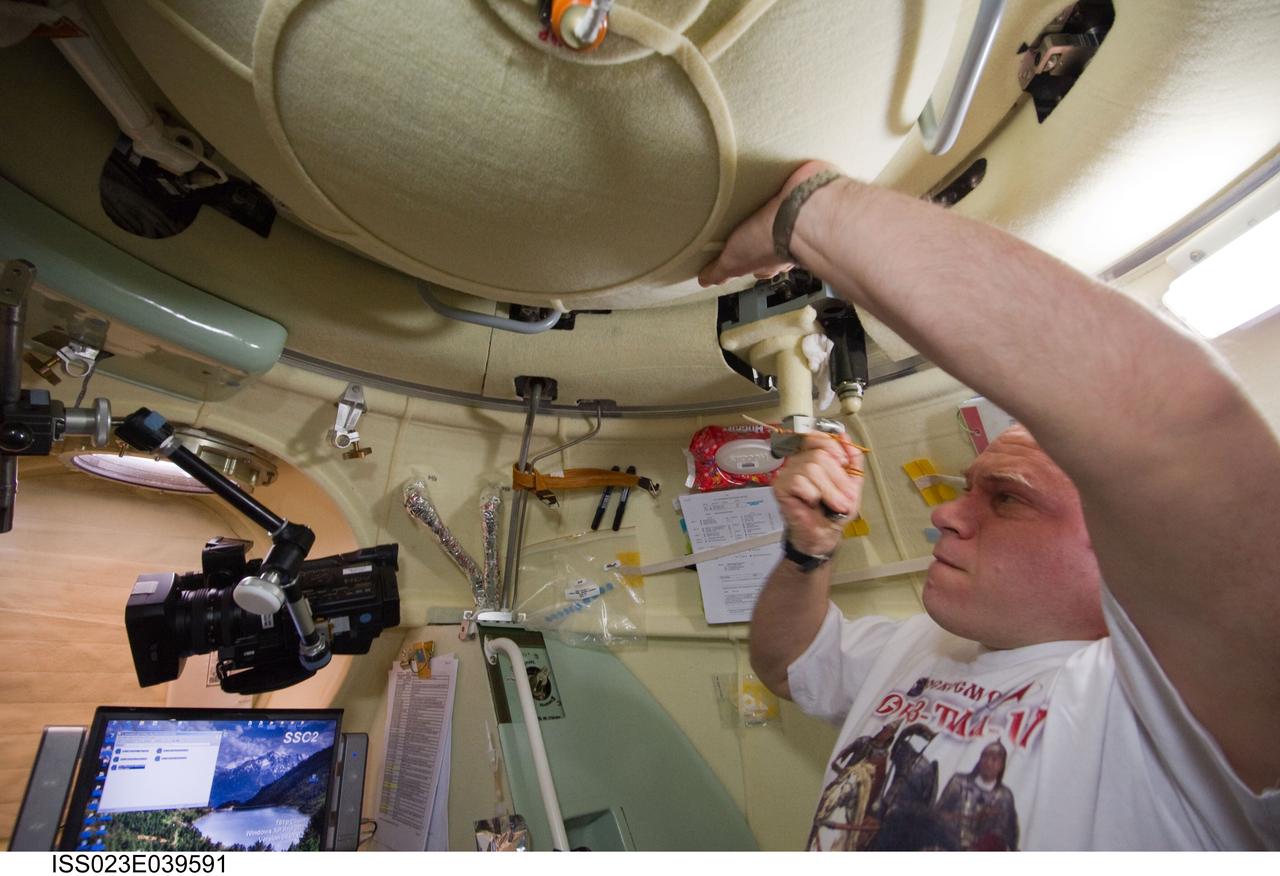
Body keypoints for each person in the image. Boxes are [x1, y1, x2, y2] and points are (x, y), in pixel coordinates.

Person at [698, 161, 1280, 849]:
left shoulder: (1162, 713)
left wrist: (813, 212)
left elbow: (1177, 434)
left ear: (1121, 555)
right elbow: (787, 662)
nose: (947, 515)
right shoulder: (924, 644)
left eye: (1007, 499)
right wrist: (808, 551)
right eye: (967, 488)